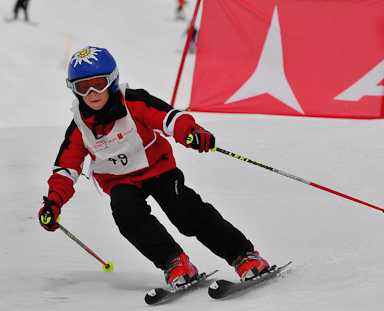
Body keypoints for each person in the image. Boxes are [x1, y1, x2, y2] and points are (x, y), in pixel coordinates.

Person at [38, 46, 269, 288]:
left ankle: (243, 255)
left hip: (158, 169)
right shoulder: (79, 127)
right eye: (83, 87)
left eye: (98, 84)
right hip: (120, 181)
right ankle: (175, 263)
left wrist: (192, 133)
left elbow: (170, 118)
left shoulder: (133, 102)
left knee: (184, 210)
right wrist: (53, 203)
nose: (93, 93)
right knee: (125, 214)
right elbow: (65, 170)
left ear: (112, 81)